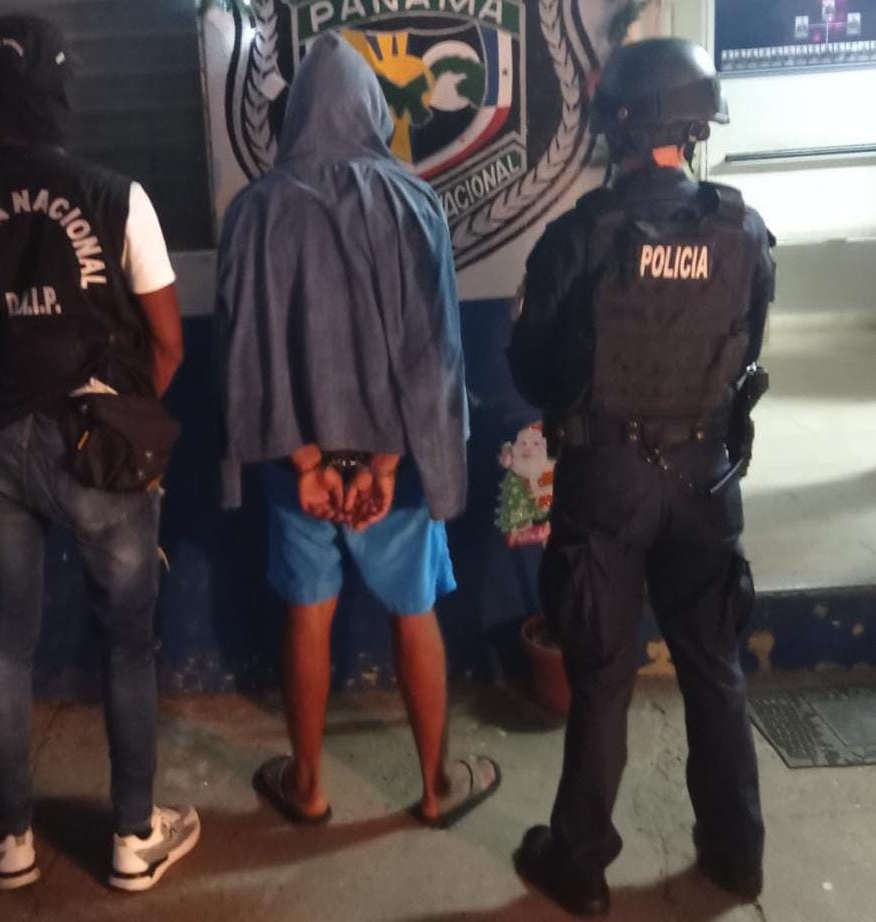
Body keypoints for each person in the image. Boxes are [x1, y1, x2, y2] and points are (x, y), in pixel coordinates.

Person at [0, 14, 197, 892]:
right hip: (102, 444)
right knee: (127, 644)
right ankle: (133, 838)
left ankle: (10, 841)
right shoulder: (119, 198)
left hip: (1, 444)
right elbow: (168, 344)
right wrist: (123, 421)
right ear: (61, 88)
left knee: (4, 648)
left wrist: (15, 398)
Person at [508, 38, 775, 917]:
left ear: (616, 126)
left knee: (601, 680)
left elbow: (531, 371)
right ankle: (736, 858)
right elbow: (748, 346)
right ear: (695, 127)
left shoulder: (577, 238)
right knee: (715, 668)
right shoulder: (744, 231)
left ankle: (580, 868)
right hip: (705, 480)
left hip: (607, 484)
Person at [215, 33, 499, 828]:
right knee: (415, 610)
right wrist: (384, 465)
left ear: (296, 114)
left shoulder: (253, 210)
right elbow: (434, 354)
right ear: (375, 110)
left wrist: (309, 463)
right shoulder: (414, 204)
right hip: (391, 469)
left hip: (295, 468)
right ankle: (437, 788)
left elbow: (242, 355)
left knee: (307, 612)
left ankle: (307, 786)